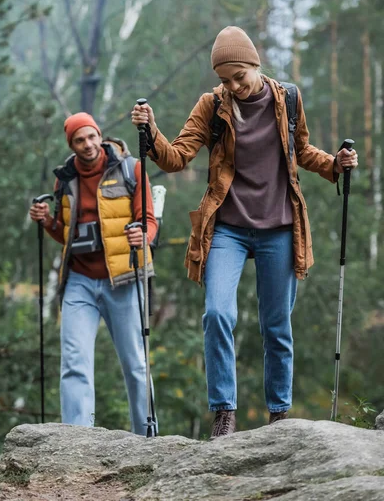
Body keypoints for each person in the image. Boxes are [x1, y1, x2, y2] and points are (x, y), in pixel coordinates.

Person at [131, 26, 358, 438]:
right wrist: (151, 133)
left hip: (278, 228)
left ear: (255, 64)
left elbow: (301, 150)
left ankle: (278, 415)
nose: (234, 85)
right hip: (227, 228)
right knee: (217, 313)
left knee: (276, 325)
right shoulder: (211, 105)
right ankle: (223, 412)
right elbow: (177, 157)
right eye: (225, 79)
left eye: (240, 76)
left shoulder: (287, 98)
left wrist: (334, 164)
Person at [29, 112, 158, 435]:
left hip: (124, 279)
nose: (87, 145)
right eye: (79, 140)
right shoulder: (65, 178)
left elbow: (149, 221)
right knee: (74, 363)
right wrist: (47, 221)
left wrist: (143, 235)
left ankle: (147, 438)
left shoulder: (131, 169)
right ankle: (75, 440)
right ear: (71, 145)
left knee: (136, 365)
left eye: (91, 137)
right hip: (79, 282)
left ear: (100, 136)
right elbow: (67, 234)